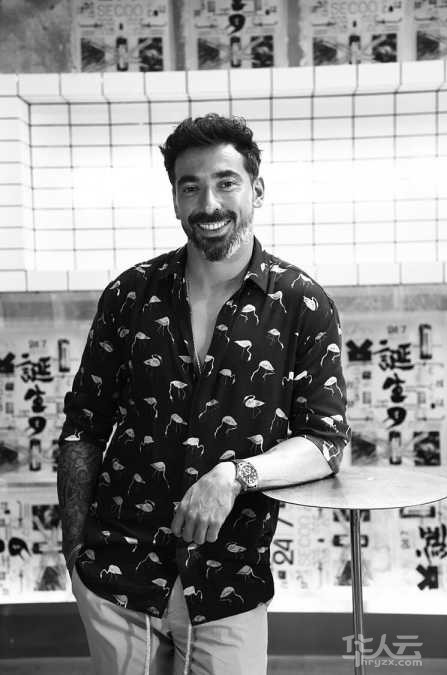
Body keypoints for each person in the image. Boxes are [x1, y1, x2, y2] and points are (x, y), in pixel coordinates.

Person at [57, 113, 350, 675]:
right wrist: (74, 552)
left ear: (257, 190)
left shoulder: (302, 304)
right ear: (174, 199)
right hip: (116, 576)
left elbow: (326, 441)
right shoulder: (129, 295)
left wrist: (234, 476)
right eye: (190, 187)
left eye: (225, 182)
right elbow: (83, 429)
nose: (209, 204)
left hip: (228, 581)